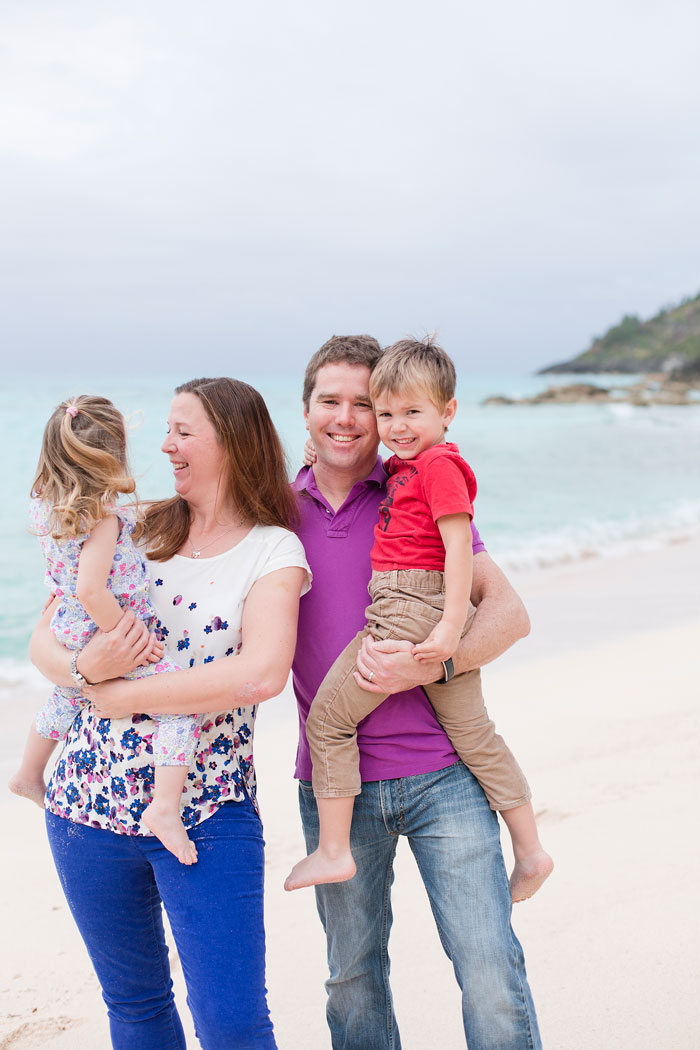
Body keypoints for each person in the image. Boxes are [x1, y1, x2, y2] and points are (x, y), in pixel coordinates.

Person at [28, 377, 310, 1050]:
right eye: (167, 430)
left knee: (233, 1025)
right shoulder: (137, 524)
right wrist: (81, 672)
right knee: (136, 1009)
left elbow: (260, 673)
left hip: (207, 812)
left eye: (184, 431)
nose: (164, 445)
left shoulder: (273, 550)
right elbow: (45, 637)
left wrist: (123, 696)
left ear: (233, 445)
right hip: (85, 808)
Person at [288, 335, 543, 1050]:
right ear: (305, 410)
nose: (346, 418)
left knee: (492, 973)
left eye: (363, 405)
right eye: (328, 401)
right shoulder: (276, 511)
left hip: (444, 779)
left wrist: (433, 665)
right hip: (335, 788)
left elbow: (511, 616)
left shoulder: (413, 492)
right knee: (352, 981)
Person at [10, 394, 201, 865]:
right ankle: (164, 809)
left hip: (68, 625)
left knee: (66, 695)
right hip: (102, 629)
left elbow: (71, 578)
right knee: (179, 706)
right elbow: (93, 589)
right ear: (112, 456)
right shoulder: (102, 520)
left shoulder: (46, 505)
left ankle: (28, 773)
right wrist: (130, 640)